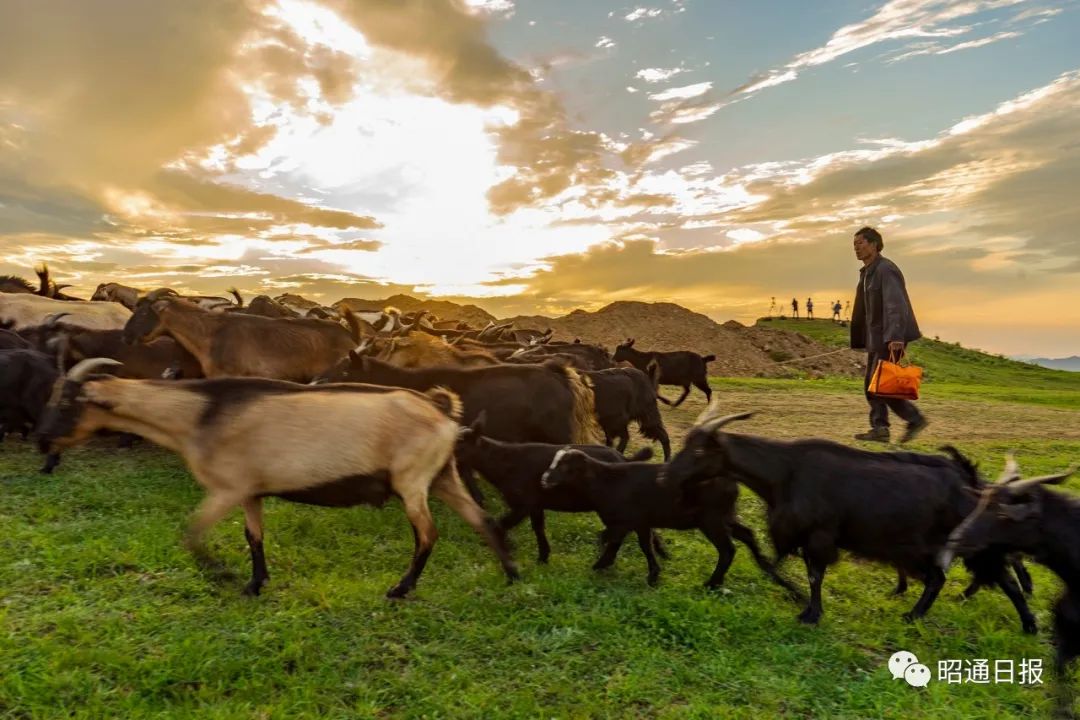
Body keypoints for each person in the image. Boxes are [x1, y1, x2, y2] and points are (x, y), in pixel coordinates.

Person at [849, 226, 927, 444]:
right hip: (876, 339)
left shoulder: (886, 269)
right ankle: (880, 428)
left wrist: (896, 337)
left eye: (860, 243)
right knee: (871, 385)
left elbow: (896, 305)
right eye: (854, 245)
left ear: (874, 244)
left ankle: (914, 419)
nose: (856, 248)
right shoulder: (867, 273)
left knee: (881, 385)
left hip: (890, 338)